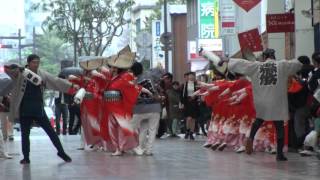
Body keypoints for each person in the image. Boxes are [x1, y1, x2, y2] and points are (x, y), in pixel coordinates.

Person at [219, 48, 303, 161]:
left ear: (264, 57)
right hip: (277, 101)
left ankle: (250, 138)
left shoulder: (257, 66)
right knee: (279, 126)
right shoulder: (281, 65)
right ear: (274, 56)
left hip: (262, 101)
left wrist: (228, 60)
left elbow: (243, 64)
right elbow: (297, 64)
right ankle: (279, 154)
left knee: (259, 120)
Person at [4, 54, 77, 164]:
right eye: (34, 62)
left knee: (51, 132)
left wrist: (71, 86)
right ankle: (26, 157)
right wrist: (16, 67)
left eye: (38, 62)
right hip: (24, 108)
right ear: (28, 63)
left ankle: (61, 152)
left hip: (38, 109)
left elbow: (55, 80)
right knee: (25, 134)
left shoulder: (42, 74)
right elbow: (9, 71)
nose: (36, 64)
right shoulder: (20, 73)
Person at [102, 50, 151, 156]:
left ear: (119, 68)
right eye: (111, 67)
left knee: (125, 127)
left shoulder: (126, 76)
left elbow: (132, 86)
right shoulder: (110, 78)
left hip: (120, 106)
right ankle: (118, 149)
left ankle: (134, 146)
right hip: (109, 105)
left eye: (114, 67)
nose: (112, 69)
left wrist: (145, 90)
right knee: (112, 128)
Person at [131, 62, 162, 155]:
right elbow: (159, 76)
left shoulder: (133, 80)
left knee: (141, 129)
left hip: (139, 108)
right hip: (154, 107)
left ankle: (140, 147)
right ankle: (149, 150)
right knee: (152, 130)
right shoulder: (149, 75)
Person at [181, 72, 199, 140]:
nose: (191, 77)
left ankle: (191, 133)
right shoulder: (185, 85)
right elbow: (182, 95)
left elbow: (199, 92)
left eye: (192, 76)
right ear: (188, 77)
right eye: (190, 76)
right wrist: (182, 103)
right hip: (187, 102)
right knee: (188, 118)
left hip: (194, 102)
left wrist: (195, 97)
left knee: (193, 119)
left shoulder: (196, 84)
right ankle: (187, 131)